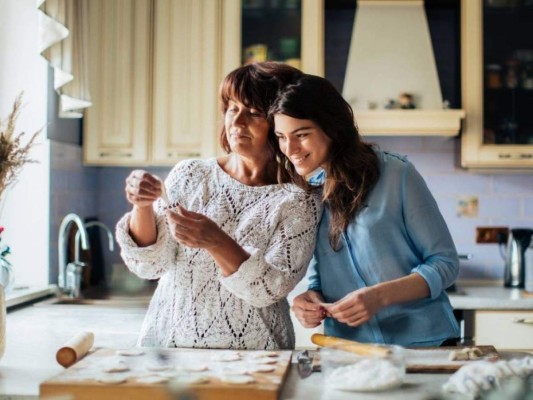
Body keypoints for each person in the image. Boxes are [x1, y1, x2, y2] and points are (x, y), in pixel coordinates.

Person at [115, 62, 321, 350]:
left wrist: (215, 241)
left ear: (280, 122)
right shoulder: (191, 175)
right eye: (232, 108)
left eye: (253, 113)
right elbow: (150, 265)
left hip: (256, 354)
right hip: (169, 347)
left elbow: (268, 289)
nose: (236, 123)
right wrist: (142, 206)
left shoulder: (299, 199)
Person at [269, 74, 460, 347]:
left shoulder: (397, 174)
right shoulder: (305, 193)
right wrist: (311, 297)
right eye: (281, 137)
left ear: (332, 127)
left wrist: (378, 297)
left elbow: (445, 264)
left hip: (424, 344)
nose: (290, 149)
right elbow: (321, 269)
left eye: (301, 134)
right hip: (351, 350)